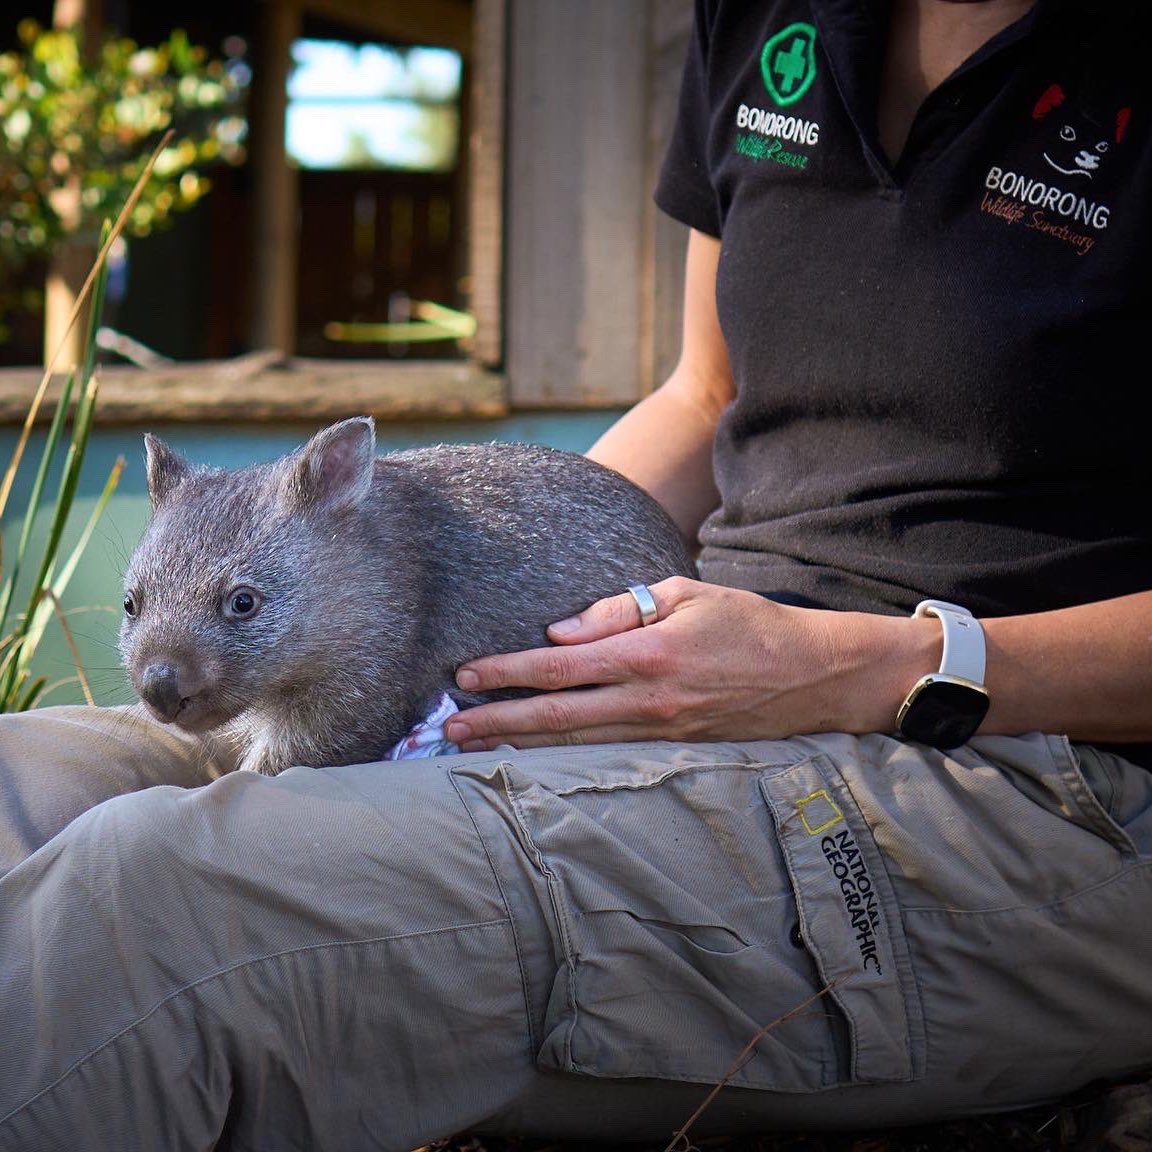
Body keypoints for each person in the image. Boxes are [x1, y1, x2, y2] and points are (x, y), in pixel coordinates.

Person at [2, 0, 1151, 1147]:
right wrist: (496, 564)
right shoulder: (768, 16)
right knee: (20, 796)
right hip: (683, 677)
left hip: (1011, 766)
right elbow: (708, 397)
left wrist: (869, 666)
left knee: (151, 903)